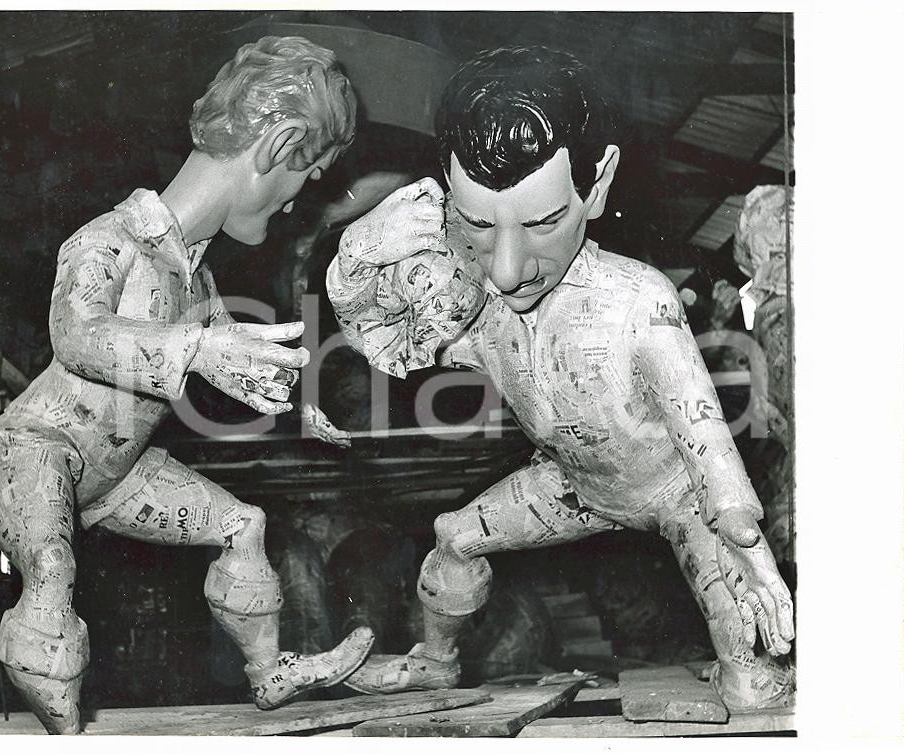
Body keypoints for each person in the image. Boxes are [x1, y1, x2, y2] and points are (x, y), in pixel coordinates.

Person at [327, 46, 794, 711]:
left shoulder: (638, 301)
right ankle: (436, 659)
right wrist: (357, 253)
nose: (510, 268)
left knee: (753, 690)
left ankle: (755, 676)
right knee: (454, 536)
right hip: (572, 484)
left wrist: (742, 530)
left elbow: (706, 437)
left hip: (677, 493)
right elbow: (382, 338)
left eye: (544, 221)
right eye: (480, 226)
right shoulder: (480, 309)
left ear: (596, 185)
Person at [0, 35, 374, 734]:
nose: (295, 204)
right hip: (33, 453)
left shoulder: (197, 277)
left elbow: (221, 359)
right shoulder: (112, 240)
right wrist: (196, 346)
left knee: (245, 524)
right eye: (311, 177)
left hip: (117, 473)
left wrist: (293, 403)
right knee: (53, 568)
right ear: (279, 145)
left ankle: (269, 671)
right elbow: (77, 335)